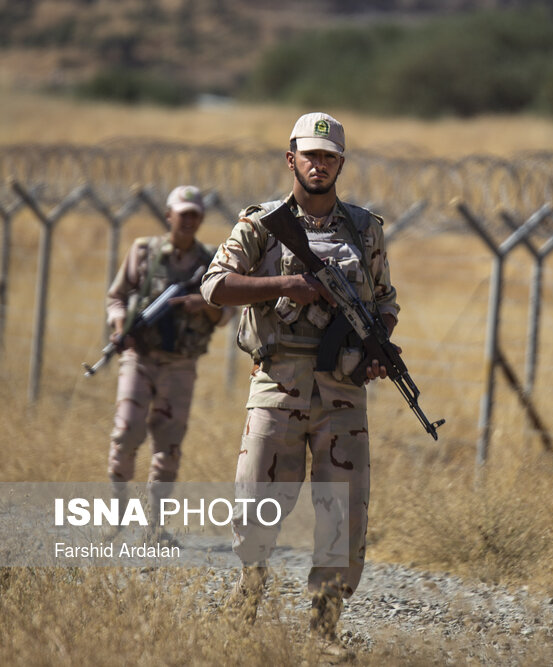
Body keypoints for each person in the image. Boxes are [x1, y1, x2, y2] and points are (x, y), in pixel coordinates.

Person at [200, 112, 399, 640]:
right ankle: (248, 594)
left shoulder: (365, 230)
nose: (320, 164)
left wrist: (376, 347)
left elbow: (384, 304)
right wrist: (286, 284)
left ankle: (323, 629)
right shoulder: (261, 225)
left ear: (341, 164)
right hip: (276, 386)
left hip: (342, 394)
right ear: (292, 159)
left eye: (329, 157)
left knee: (344, 515)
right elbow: (214, 286)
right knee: (254, 504)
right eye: (311, 155)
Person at [105, 185, 229, 540]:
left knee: (168, 446)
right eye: (182, 213)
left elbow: (225, 315)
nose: (188, 220)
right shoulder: (144, 252)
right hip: (140, 358)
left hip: (180, 365)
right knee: (126, 432)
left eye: (195, 214)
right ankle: (116, 514)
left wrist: (203, 305)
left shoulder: (211, 263)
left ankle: (153, 526)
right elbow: (116, 297)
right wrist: (120, 327)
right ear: (168, 215)